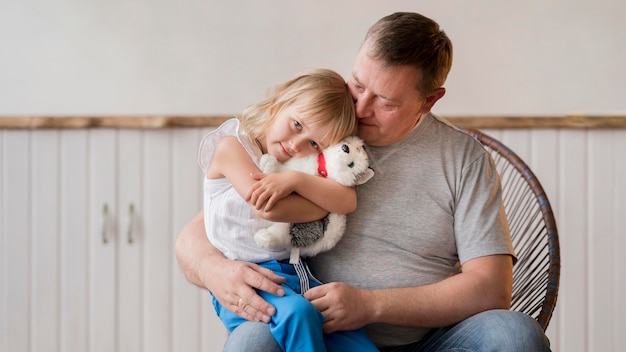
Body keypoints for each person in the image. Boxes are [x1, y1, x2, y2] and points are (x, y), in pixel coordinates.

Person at [176, 12, 551, 352]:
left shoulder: (463, 159)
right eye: (357, 85)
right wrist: (216, 270)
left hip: (431, 342)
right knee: (253, 342)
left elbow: (490, 290)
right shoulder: (311, 135)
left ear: (428, 101)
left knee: (514, 334)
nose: (360, 109)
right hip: (316, 335)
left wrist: (371, 305)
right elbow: (208, 226)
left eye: (386, 102)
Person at [198, 68, 378, 352]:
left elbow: (347, 202)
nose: (296, 145)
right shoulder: (232, 147)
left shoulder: (293, 169)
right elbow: (268, 208)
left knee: (353, 338)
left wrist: (295, 180)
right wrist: (321, 207)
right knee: (298, 314)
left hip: (294, 274)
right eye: (296, 124)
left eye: (314, 144)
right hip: (248, 280)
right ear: (281, 101)